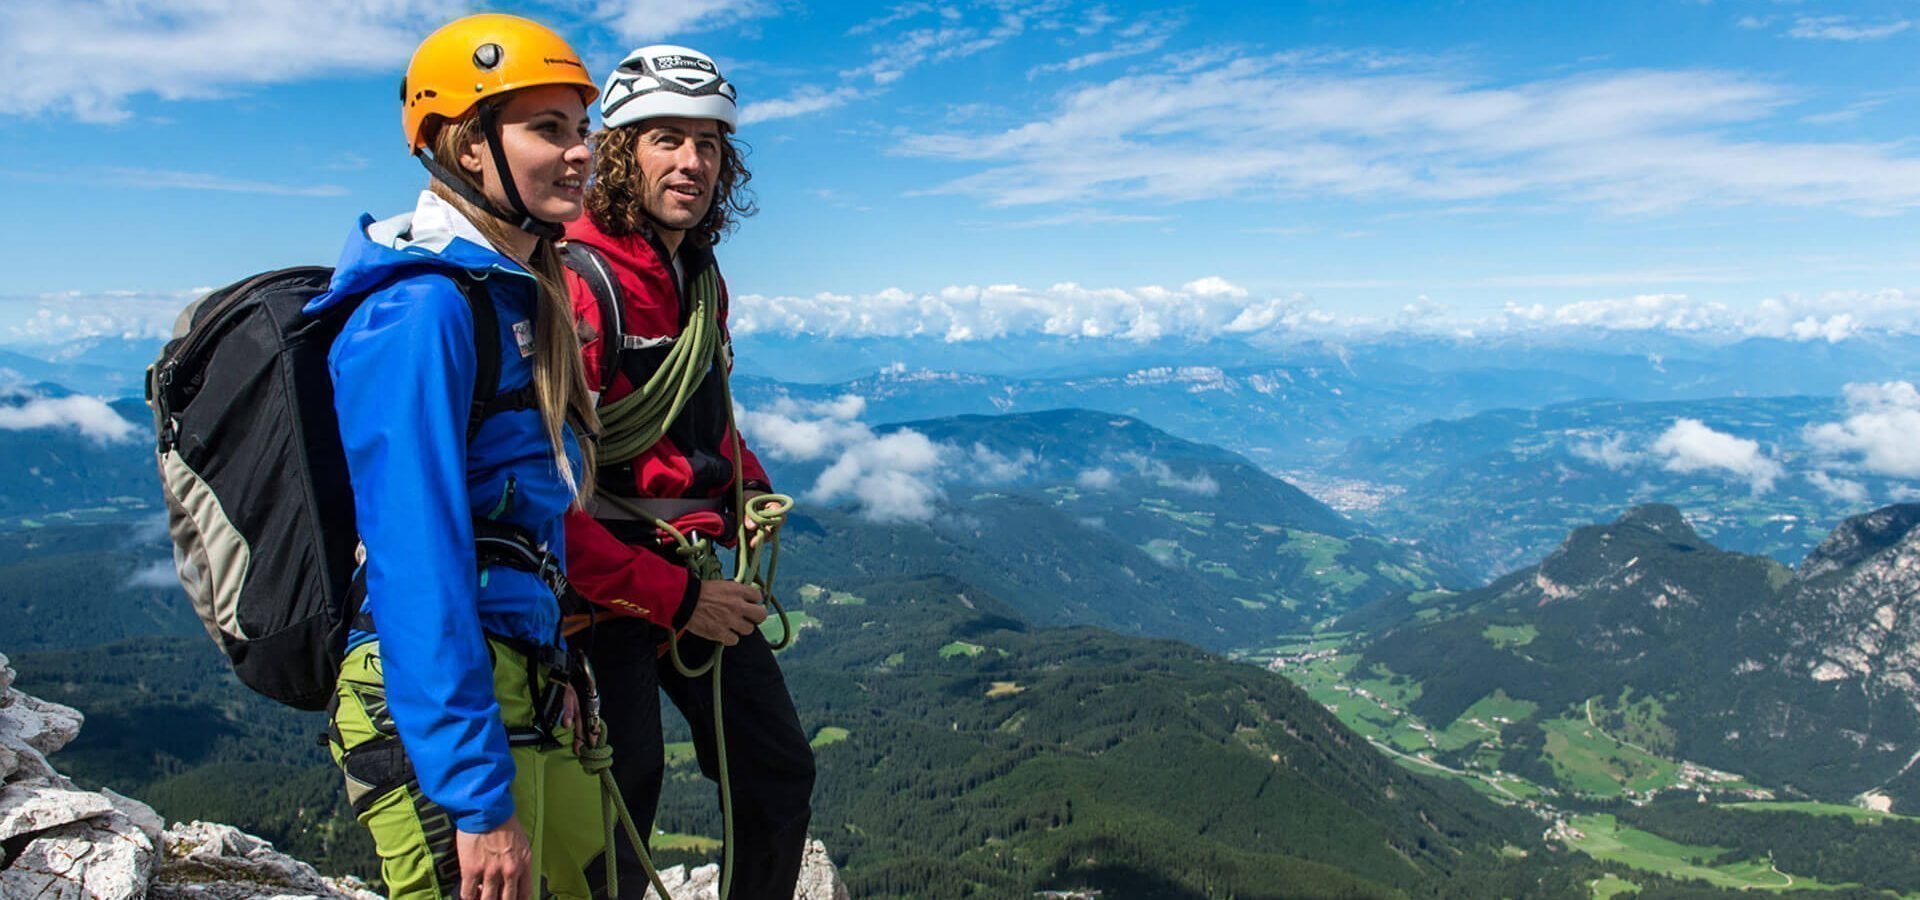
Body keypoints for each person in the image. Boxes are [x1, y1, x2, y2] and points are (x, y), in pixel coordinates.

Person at [312, 14, 605, 900]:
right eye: (546, 129)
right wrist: (475, 801)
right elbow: (417, 558)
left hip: (522, 675)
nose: (580, 152)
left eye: (580, 128)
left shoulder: (516, 292)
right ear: (467, 146)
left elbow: (516, 511)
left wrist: (552, 651)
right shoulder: (423, 314)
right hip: (440, 709)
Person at [560, 44, 816, 899]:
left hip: (692, 561)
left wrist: (745, 487)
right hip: (607, 587)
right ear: (618, 153)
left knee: (776, 769)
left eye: (708, 144)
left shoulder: (697, 275)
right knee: (621, 805)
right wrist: (678, 599)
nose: (693, 162)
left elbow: (704, 415)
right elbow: (544, 501)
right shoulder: (578, 284)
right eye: (666, 139)